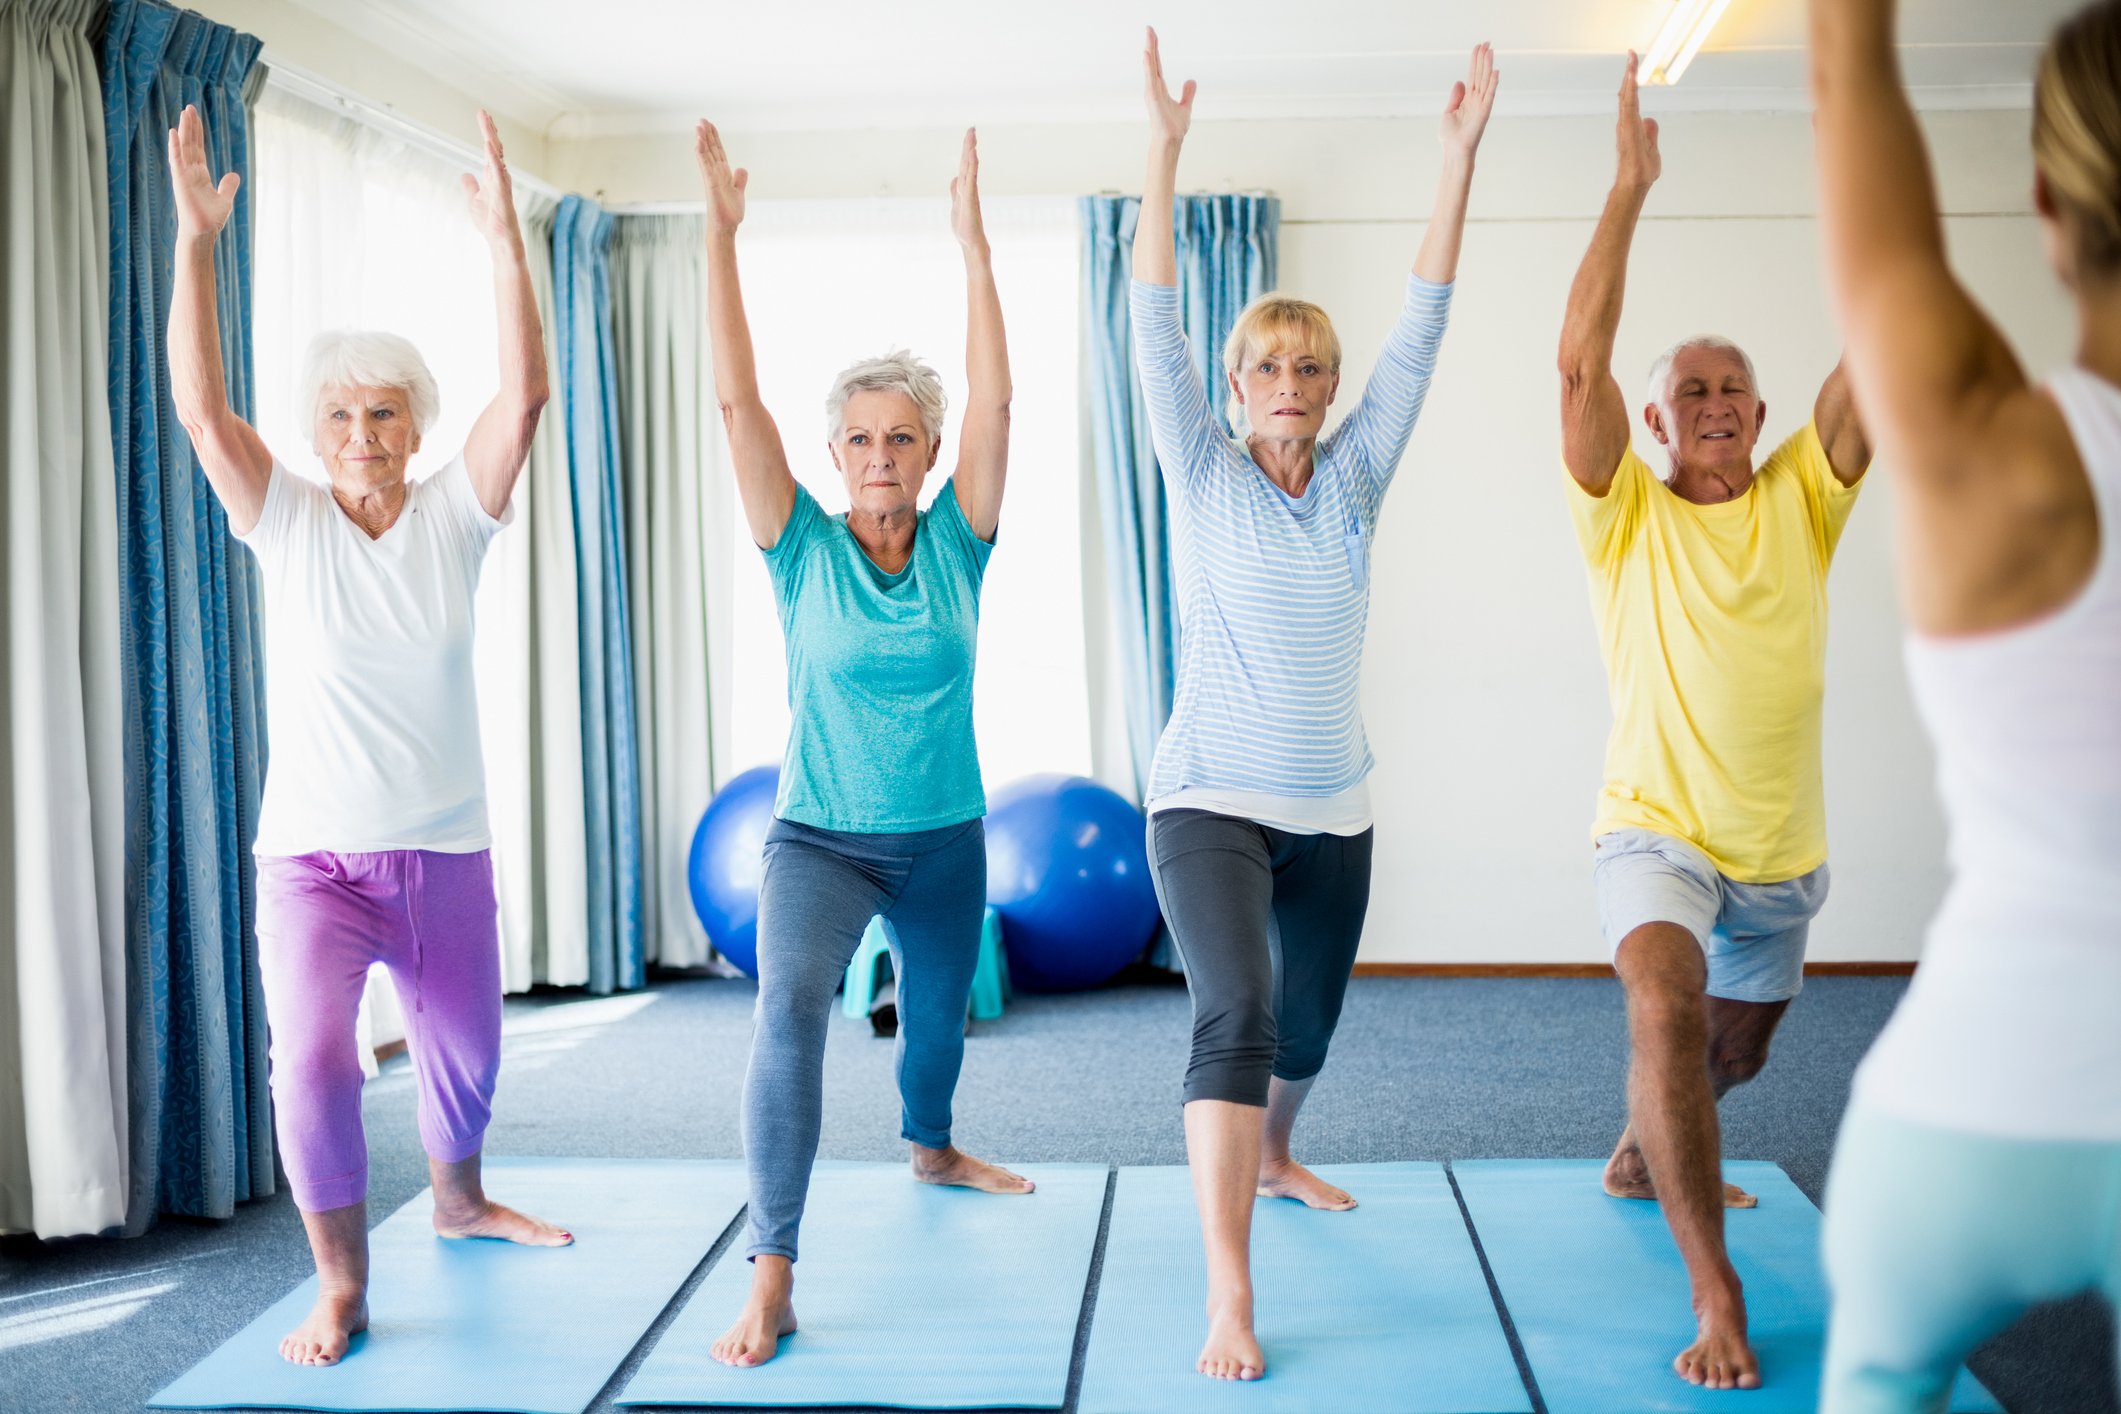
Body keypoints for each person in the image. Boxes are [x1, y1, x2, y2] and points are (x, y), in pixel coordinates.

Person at [165, 105, 568, 1367]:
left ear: (416, 426)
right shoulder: (285, 519)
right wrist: (196, 243)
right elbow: (200, 409)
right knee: (312, 1068)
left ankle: (460, 1198)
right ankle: (340, 1284)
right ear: (314, 432)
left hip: (445, 853)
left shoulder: (455, 516)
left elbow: (527, 394)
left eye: (384, 415)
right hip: (316, 863)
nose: (361, 439)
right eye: (339, 418)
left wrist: (505, 240)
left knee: (467, 1060)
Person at [1132, 28, 1495, 1382]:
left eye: (1310, 369)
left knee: (1312, 1026)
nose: (1289, 386)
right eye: (1267, 368)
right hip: (1206, 800)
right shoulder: (1202, 472)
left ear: (1331, 390)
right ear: (1236, 387)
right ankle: (1230, 1292)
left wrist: (1457, 158)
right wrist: (1163, 153)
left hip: (1334, 806)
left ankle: (1278, 1151)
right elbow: (1150, 322)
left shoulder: (1354, 478)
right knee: (1234, 1013)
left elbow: (1425, 323)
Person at [1808, 2, 2121, 1408]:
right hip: (1978, 1088)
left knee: (1881, 1371)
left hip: (1971, 1097)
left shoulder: (1991, 442)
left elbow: (1845, 69)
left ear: (2048, 202)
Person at [1555, 52, 1873, 1392]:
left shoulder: (1806, 493)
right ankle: (1714, 1289)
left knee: (1733, 1047)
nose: (1717, 403)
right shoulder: (1622, 512)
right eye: (1690, 390)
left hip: (1781, 848)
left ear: (1761, 411)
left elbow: (1884, 343)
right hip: (1656, 830)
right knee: (1663, 1005)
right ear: (1657, 419)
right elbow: (1576, 361)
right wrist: (1628, 188)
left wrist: (1865, 149)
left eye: (1733, 386)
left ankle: (1643, 1153)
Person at [694, 121, 1031, 1369]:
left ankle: (930, 1146)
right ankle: (772, 1270)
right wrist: (721, 238)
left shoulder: (960, 542)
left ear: (930, 455)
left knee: (936, 1029)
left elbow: (998, 399)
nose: (881, 456)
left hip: (945, 840)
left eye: (902, 438)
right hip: (819, 841)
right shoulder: (801, 546)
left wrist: (975, 248)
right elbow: (737, 401)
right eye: (860, 438)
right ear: (833, 455)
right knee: (788, 1010)